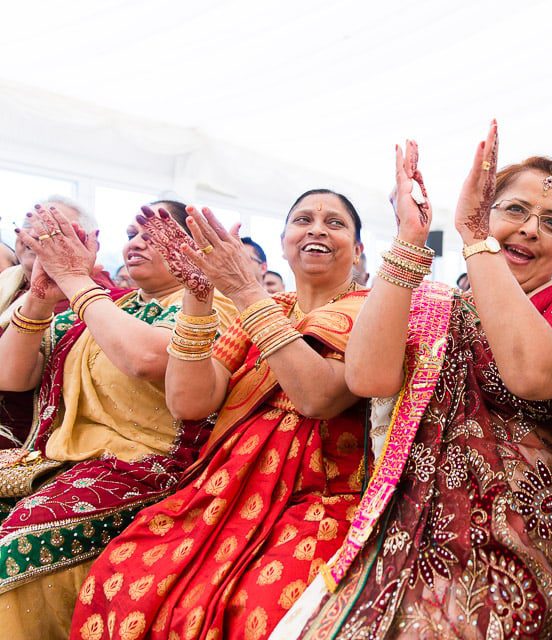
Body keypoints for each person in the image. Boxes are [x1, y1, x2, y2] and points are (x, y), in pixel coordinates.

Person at [277, 131, 552, 639]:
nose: (529, 230)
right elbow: (368, 376)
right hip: (415, 523)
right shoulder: (438, 304)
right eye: (515, 210)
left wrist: (478, 237)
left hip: (529, 540)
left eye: (551, 223)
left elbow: (535, 376)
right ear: (485, 209)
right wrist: (410, 240)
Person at [71, 190, 369, 640]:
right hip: (226, 485)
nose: (317, 229)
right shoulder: (273, 309)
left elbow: (318, 399)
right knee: (124, 569)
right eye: (303, 219)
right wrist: (197, 294)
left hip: (323, 493)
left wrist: (246, 291)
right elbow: (189, 402)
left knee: (258, 608)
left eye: (335, 223)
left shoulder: (367, 310)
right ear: (285, 238)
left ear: (359, 249)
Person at [0, 201, 236, 639]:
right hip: (60, 464)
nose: (138, 242)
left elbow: (146, 359)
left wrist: (76, 282)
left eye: (156, 233)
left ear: (194, 249)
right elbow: (10, 375)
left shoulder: (211, 306)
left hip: (149, 471)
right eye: (132, 233)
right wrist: (38, 298)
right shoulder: (110, 305)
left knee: (16, 545)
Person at [0, 199, 111, 449]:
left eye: (53, 227)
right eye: (29, 225)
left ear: (86, 240)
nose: (36, 234)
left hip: (29, 426)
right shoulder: (7, 282)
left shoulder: (96, 297)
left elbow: (11, 378)